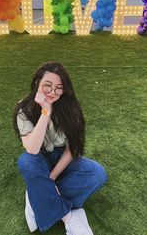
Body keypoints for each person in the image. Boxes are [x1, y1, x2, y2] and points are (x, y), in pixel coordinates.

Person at [13, 62, 107, 235]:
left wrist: (51, 178)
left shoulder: (71, 108)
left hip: (62, 156)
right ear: (36, 83)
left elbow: (72, 149)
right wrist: (45, 112)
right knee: (26, 162)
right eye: (47, 86)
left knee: (97, 174)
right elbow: (32, 150)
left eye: (59, 88)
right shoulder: (23, 109)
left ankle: (37, 196)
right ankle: (69, 216)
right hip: (39, 157)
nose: (53, 92)